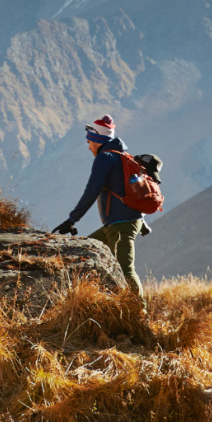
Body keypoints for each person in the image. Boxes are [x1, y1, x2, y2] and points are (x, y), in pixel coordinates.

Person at [52, 115, 148, 301]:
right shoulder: (121, 156)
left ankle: (140, 315)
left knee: (126, 269)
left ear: (97, 140)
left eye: (89, 141)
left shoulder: (105, 158)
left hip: (121, 224)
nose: (88, 147)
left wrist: (71, 220)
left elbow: (91, 191)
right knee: (87, 252)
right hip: (120, 223)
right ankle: (107, 302)